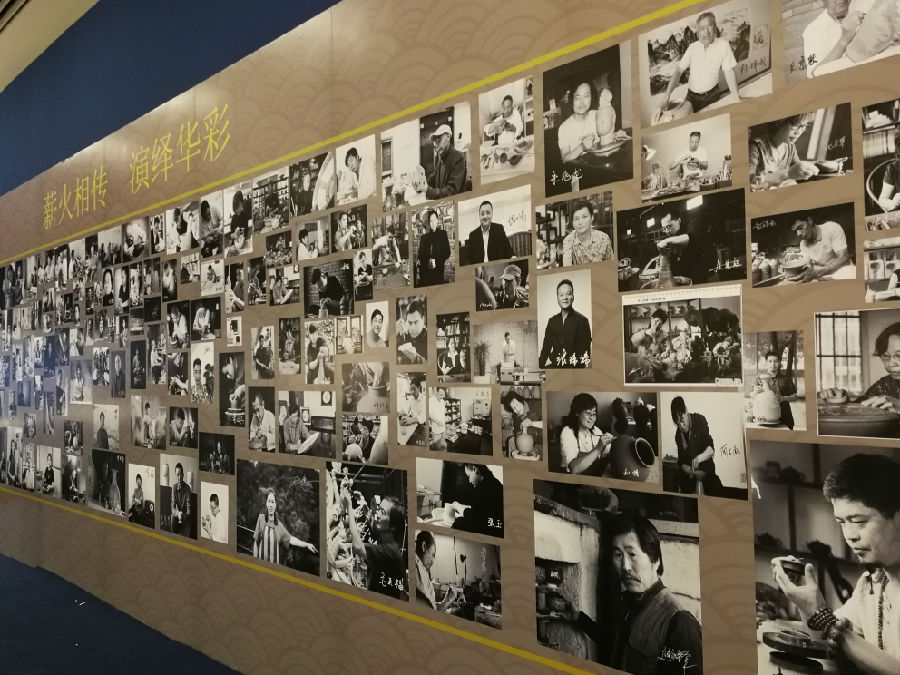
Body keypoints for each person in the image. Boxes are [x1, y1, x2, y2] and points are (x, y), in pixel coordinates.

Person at [772, 454, 900, 673]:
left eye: (859, 521)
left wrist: (825, 619)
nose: (849, 535)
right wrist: (805, 601)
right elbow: (825, 638)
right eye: (842, 522)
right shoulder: (871, 583)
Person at [573, 513, 704, 675]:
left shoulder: (679, 623)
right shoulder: (628, 603)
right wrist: (579, 619)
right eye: (618, 555)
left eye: (632, 554)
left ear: (655, 560)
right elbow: (614, 643)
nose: (625, 566)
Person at [657, 11, 739, 118]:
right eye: (702, 28)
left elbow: (729, 72)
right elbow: (678, 71)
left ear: (715, 28)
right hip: (692, 97)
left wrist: (736, 98)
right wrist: (666, 96)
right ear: (697, 33)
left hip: (713, 95)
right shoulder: (692, 48)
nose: (706, 32)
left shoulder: (724, 45)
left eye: (709, 26)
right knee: (679, 117)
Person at [557, 81, 626, 162]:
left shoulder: (597, 114)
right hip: (581, 167)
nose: (582, 102)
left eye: (586, 96)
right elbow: (565, 158)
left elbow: (606, 137)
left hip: (602, 161)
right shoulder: (564, 128)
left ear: (591, 98)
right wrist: (581, 147)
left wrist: (616, 135)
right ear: (572, 100)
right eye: (577, 97)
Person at [749, 112, 820, 189]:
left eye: (803, 126)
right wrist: (787, 173)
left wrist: (812, 168)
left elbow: (798, 169)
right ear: (779, 122)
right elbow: (750, 182)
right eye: (796, 125)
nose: (799, 132)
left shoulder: (791, 148)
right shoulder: (755, 146)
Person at [670, 396, 722, 496]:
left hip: (706, 472)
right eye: (678, 423)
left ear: (686, 410)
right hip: (691, 475)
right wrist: (688, 469)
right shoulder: (678, 435)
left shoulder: (700, 420)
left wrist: (699, 458)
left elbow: (711, 449)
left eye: (682, 420)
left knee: (718, 492)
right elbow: (681, 461)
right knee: (678, 484)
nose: (681, 426)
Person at [802, 0, 869, 78]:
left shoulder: (865, 4)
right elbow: (814, 74)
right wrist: (844, 39)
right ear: (820, 2)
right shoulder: (812, 30)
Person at [253, 488, 318, 564]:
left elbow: (291, 539)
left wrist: (306, 544)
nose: (271, 505)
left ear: (275, 505)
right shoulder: (261, 519)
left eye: (273, 502)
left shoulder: (278, 525)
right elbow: (256, 542)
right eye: (269, 501)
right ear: (266, 503)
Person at [539, 278, 592, 368]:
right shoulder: (552, 321)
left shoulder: (582, 321)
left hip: (574, 367)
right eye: (561, 295)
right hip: (556, 365)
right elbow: (546, 348)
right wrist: (540, 366)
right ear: (557, 298)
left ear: (573, 297)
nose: (565, 298)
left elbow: (585, 354)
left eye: (568, 294)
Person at [558, 393, 614, 475]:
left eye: (594, 414)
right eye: (588, 413)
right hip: (573, 480)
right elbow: (574, 469)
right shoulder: (567, 432)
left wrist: (617, 443)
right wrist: (599, 448)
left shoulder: (596, 431)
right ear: (577, 413)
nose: (592, 418)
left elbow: (609, 451)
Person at [654, 210, 714, 285]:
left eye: (669, 226)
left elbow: (691, 237)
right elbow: (671, 260)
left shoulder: (693, 222)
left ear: (678, 220)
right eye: (664, 228)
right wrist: (660, 263)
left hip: (699, 275)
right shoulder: (672, 237)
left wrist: (667, 241)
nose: (667, 231)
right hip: (682, 277)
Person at [789, 216, 855, 282]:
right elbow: (809, 267)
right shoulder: (803, 244)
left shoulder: (831, 228)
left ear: (809, 221)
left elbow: (844, 259)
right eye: (795, 232)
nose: (798, 234)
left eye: (800, 228)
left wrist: (818, 273)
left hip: (842, 270)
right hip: (823, 275)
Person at [448, 463, 504, 536]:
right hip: (491, 524)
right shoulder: (487, 483)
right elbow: (480, 511)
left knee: (459, 523)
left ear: (475, 470)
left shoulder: (490, 487)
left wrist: (460, 508)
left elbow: (477, 517)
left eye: (468, 476)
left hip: (495, 529)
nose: (469, 481)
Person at [415, 530, 462, 612]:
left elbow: (431, 605)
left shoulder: (422, 569)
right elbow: (430, 613)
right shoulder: (417, 569)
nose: (433, 561)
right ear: (424, 546)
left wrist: (448, 602)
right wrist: (448, 601)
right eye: (433, 554)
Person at [752, 350, 799, 429]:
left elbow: (795, 397)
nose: (773, 364)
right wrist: (756, 392)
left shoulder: (786, 379)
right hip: (764, 416)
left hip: (784, 416)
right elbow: (752, 395)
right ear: (766, 363)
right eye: (770, 361)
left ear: (779, 363)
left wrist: (783, 398)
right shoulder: (759, 379)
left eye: (776, 361)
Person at [860, 322, 900, 411]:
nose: (890, 364)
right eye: (886, 356)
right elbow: (861, 404)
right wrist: (842, 399)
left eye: (899, 356)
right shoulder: (886, 384)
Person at [561, 200, 613, 266]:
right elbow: (567, 268)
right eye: (576, 219)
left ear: (592, 218)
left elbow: (610, 266)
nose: (580, 222)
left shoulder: (603, 238)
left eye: (584, 217)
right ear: (572, 222)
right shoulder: (568, 241)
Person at [425, 124, 467, 200]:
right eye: (435, 143)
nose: (437, 147)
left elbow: (451, 191)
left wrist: (428, 190)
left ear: (448, 136)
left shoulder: (459, 158)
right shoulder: (440, 160)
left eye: (439, 140)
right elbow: (432, 179)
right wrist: (422, 184)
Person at [416, 208, 451, 287]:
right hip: (426, 272)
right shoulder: (424, 237)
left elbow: (447, 252)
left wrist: (437, 261)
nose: (433, 223)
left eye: (434, 220)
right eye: (431, 221)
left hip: (439, 271)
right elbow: (420, 256)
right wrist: (427, 262)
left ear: (437, 220)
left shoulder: (443, 234)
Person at [396, 299, 427, 365]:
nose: (413, 328)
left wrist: (416, 358)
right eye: (410, 323)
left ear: (423, 319)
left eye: (416, 322)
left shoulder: (429, 338)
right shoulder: (403, 336)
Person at [399, 376, 427, 445]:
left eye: (414, 389)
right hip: (413, 425)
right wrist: (403, 413)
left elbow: (423, 417)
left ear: (419, 388)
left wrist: (412, 420)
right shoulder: (411, 399)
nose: (412, 392)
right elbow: (407, 411)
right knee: (404, 440)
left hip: (422, 426)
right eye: (411, 389)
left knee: (417, 444)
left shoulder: (424, 400)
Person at [170, 463, 192, 538]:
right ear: (175, 475)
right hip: (177, 516)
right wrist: (177, 513)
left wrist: (183, 516)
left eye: (180, 475)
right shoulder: (174, 487)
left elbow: (189, 511)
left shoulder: (187, 488)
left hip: (185, 518)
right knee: (172, 517)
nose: (179, 477)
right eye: (177, 475)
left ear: (183, 475)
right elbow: (172, 508)